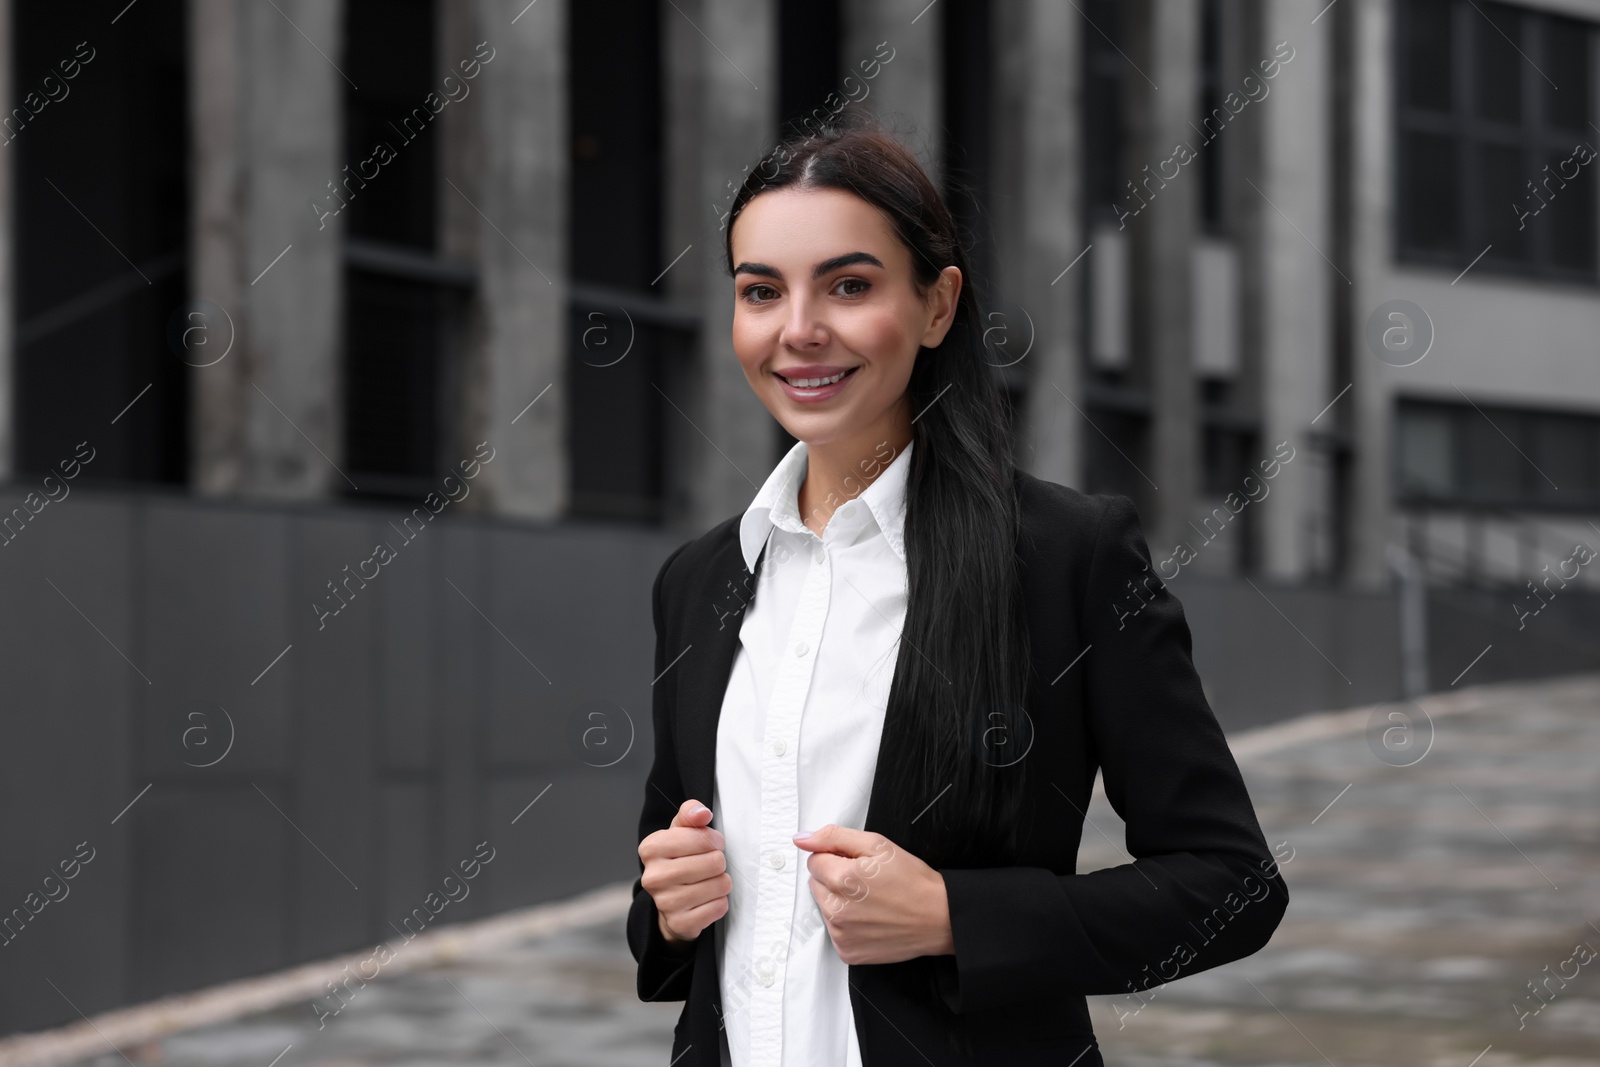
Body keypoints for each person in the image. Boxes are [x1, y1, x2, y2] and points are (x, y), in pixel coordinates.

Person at [627, 109, 1289, 1066]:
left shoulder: (1066, 556)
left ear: (938, 305)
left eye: (849, 285)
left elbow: (1232, 887)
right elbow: (668, 903)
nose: (800, 331)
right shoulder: (700, 580)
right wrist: (669, 907)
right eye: (761, 290)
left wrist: (953, 914)